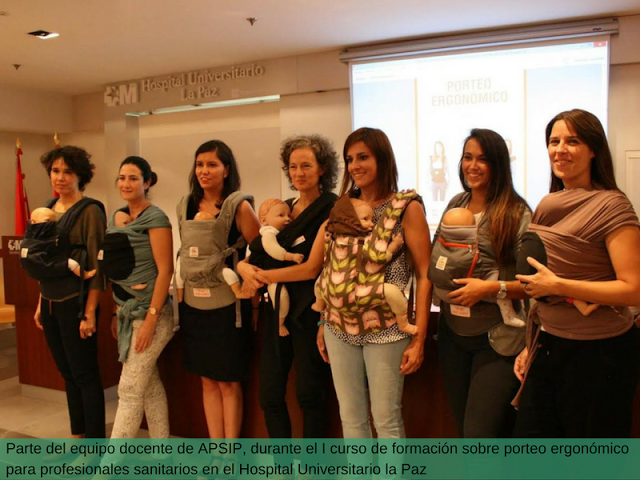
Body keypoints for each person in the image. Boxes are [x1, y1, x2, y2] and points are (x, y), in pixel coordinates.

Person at [250, 127, 431, 438]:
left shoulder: (406, 206)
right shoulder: (342, 206)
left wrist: (419, 338)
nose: (355, 165)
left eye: (363, 157)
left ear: (382, 159)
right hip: (338, 328)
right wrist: (323, 321)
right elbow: (328, 268)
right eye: (350, 159)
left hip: (386, 328)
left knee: (386, 420)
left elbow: (425, 275)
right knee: (351, 419)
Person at [513, 109, 640, 438]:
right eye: (554, 141)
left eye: (573, 141)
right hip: (549, 344)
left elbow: (633, 289)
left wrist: (560, 284)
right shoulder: (546, 204)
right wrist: (531, 346)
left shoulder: (613, 205)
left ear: (594, 149)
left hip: (600, 353)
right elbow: (542, 285)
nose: (560, 149)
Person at [430, 128, 530, 438]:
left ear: (498, 163)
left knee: (480, 434)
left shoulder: (516, 212)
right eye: (467, 158)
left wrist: (490, 288)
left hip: (497, 340)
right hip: (452, 335)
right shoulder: (455, 202)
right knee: (464, 432)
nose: (472, 166)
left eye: (482, 159)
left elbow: (532, 284)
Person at [237, 134, 339, 438]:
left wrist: (264, 277)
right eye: (293, 166)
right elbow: (257, 250)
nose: (299, 172)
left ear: (322, 168)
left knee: (310, 394)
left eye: (306, 165)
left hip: (310, 312)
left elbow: (311, 269)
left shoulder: (332, 207)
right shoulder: (283, 208)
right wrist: (243, 267)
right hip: (275, 312)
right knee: (269, 394)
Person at [177, 140, 261, 438]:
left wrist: (250, 295)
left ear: (226, 170)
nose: (204, 170)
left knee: (229, 382)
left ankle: (231, 456)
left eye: (212, 165)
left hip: (229, 308)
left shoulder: (239, 205)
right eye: (200, 164)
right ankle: (216, 450)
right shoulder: (185, 204)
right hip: (193, 307)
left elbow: (260, 252)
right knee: (207, 381)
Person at [33, 146, 107, 438]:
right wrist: (41, 303)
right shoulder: (47, 209)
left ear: (80, 175)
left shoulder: (90, 211)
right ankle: (78, 437)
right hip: (51, 301)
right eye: (55, 171)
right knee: (66, 373)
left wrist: (90, 312)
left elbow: (97, 266)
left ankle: (95, 446)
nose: (60, 178)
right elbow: (44, 264)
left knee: (85, 375)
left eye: (67, 171)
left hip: (76, 304)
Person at [100, 156, 175, 438]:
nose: (126, 183)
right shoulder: (116, 217)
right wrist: (114, 313)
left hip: (152, 314)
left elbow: (165, 270)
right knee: (149, 386)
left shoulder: (156, 218)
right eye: (122, 177)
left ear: (147, 182)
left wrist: (151, 321)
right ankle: (162, 453)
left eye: (133, 178)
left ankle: (109, 468)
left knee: (129, 390)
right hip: (126, 312)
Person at [311, 196, 418, 335]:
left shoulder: (333, 237)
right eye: (365, 219)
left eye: (372, 220)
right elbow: (380, 257)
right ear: (350, 219)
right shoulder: (366, 242)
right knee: (393, 293)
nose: (372, 224)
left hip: (331, 290)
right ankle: (403, 323)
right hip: (357, 293)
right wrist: (395, 245)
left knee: (321, 280)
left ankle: (319, 302)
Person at [432, 207, 525, 328]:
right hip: (477, 294)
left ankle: (435, 298)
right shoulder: (481, 239)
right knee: (499, 288)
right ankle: (509, 316)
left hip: (443, 293)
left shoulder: (441, 242)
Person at [28, 207, 97, 280]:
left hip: (47, 262)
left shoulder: (46, 232)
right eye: (47, 220)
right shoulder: (32, 236)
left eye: (54, 221)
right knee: (71, 263)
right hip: (42, 261)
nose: (51, 223)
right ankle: (84, 274)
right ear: (33, 222)